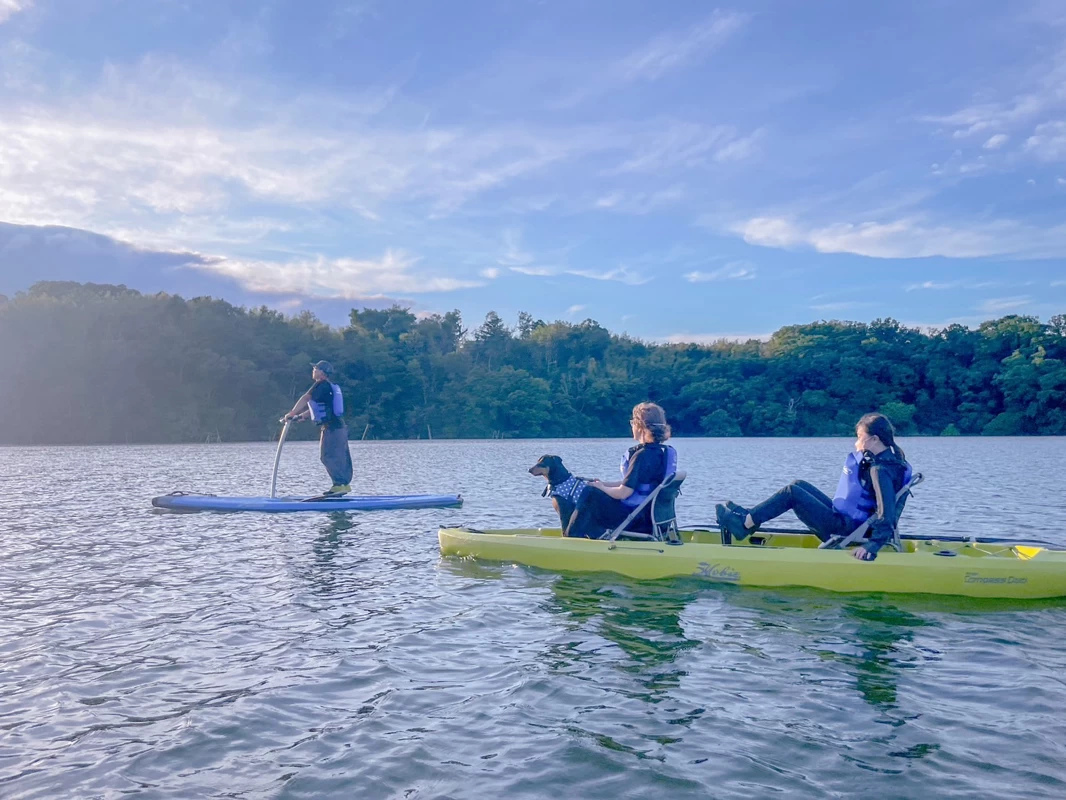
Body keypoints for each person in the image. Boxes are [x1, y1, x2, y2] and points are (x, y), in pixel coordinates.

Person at [715, 413, 912, 561]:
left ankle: (744, 524)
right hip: (851, 523)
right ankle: (748, 517)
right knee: (798, 484)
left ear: (875, 439)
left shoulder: (880, 469)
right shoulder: (891, 461)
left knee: (792, 493)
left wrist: (873, 545)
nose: (856, 443)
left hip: (849, 530)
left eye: (860, 437)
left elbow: (886, 511)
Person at [565, 402, 678, 539]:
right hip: (654, 517)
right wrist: (604, 484)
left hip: (637, 521)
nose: (631, 426)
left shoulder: (641, 456)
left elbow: (623, 493)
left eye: (632, 422)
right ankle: (593, 535)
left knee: (590, 493)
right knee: (595, 490)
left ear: (640, 427)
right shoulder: (664, 452)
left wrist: (599, 488)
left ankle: (572, 537)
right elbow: (634, 485)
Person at [283, 360, 353, 495]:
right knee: (336, 456)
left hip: (332, 428)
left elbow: (306, 398)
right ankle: (341, 485)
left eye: (315, 368)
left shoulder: (320, 385)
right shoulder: (327, 387)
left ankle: (340, 485)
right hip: (337, 428)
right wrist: (301, 416)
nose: (313, 370)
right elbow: (317, 407)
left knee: (327, 456)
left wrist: (291, 413)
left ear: (322, 372)